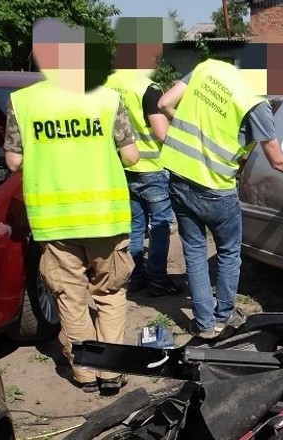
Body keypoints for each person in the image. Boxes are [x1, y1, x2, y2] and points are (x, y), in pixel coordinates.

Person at [3, 18, 139, 393]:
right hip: (105, 220)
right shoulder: (108, 98)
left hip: (55, 224)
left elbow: (13, 163)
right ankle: (110, 373)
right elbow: (130, 156)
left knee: (72, 298)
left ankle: (85, 374)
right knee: (109, 296)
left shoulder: (24, 101)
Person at [158, 58, 283, 340]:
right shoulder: (255, 104)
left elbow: (164, 104)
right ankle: (223, 316)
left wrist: (198, 134)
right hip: (215, 189)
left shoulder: (209, 67)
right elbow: (277, 161)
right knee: (227, 252)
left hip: (178, 176)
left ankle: (203, 323)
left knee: (194, 249)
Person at [105, 46, 180, 297]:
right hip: (152, 168)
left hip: (122, 166)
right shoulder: (148, 88)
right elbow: (161, 132)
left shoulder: (106, 85)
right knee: (159, 225)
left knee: (136, 225)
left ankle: (135, 277)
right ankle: (158, 280)